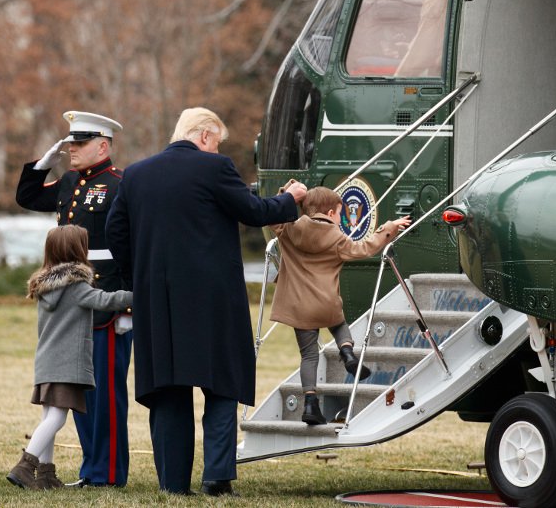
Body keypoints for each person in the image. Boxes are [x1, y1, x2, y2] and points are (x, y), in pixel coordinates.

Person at [105, 107, 307, 496]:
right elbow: (252, 212)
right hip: (214, 300)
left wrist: (141, 279)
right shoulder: (214, 169)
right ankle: (216, 476)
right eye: (216, 142)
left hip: (158, 302)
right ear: (203, 136)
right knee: (222, 384)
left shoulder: (135, 175)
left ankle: (173, 484)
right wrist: (291, 199)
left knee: (168, 390)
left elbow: (117, 234)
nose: (217, 150)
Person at [15, 111, 133, 487]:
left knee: (106, 397)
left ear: (103, 145)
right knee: (79, 392)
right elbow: (28, 197)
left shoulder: (121, 185)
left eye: (79, 144)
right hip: (73, 300)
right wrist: (40, 167)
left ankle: (107, 473)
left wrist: (128, 307)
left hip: (106, 299)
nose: (71, 151)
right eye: (69, 144)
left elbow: (131, 245)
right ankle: (91, 469)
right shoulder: (68, 182)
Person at [269, 186, 411, 424]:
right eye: (339, 213)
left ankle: (311, 406)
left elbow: (273, 213)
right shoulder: (337, 238)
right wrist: (389, 228)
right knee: (338, 324)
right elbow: (365, 248)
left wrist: (288, 191)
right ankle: (347, 352)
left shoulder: (288, 229)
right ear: (332, 212)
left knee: (309, 356)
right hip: (327, 305)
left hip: (299, 307)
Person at [7, 225, 133, 490]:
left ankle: (46, 476)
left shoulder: (45, 286)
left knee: (48, 418)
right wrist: (141, 295)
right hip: (66, 365)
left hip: (46, 361)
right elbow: (106, 300)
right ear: (77, 250)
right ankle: (25, 466)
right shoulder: (75, 286)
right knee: (58, 419)